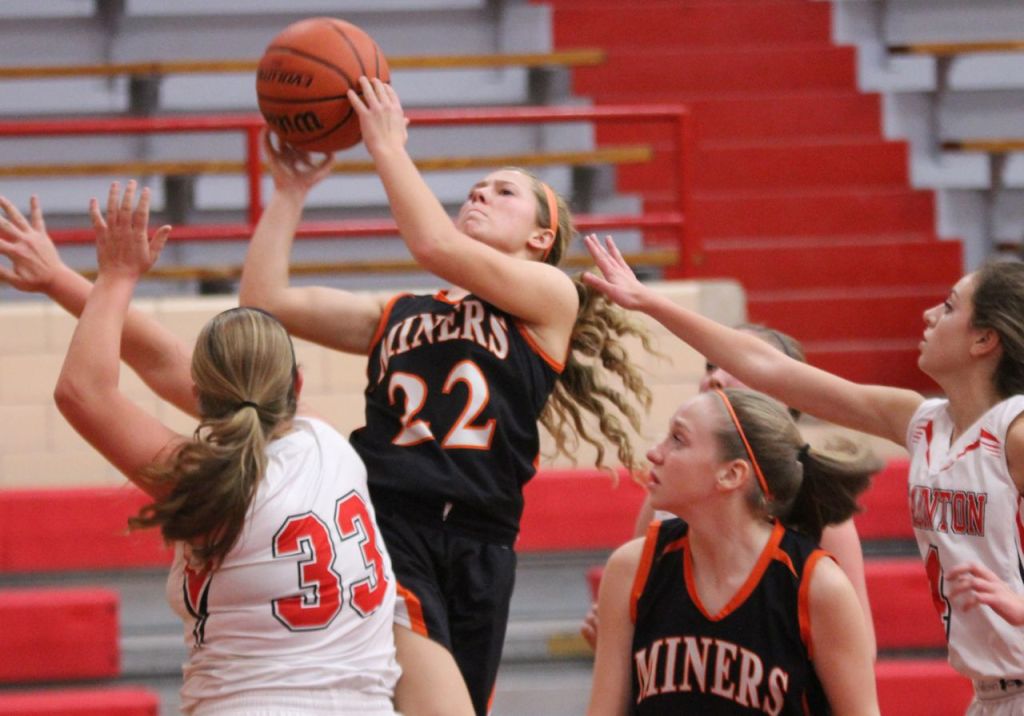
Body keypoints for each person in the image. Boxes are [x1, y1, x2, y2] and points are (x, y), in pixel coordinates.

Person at [238, 77, 654, 716]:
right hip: (388, 526)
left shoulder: (550, 301)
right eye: (477, 187)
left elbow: (436, 245)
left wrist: (387, 148)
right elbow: (264, 304)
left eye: (505, 190)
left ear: (540, 240)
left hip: (483, 545)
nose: (481, 192)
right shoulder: (396, 312)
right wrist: (290, 193)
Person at [584, 233, 1024, 715]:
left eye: (949, 306)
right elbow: (767, 367)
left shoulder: (1014, 434)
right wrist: (648, 302)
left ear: (984, 339)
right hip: (989, 694)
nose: (929, 315)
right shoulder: (920, 421)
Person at [50, 181, 400, 715]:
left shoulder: (211, 482)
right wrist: (58, 280)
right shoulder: (330, 443)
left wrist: (115, 277)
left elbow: (84, 391)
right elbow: (167, 363)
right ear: (299, 385)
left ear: (200, 397)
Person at [581, 324, 878, 660]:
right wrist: (616, 640)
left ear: (789, 393)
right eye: (710, 365)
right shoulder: (664, 498)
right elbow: (635, 628)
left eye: (736, 366)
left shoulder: (819, 513)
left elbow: (859, 651)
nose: (715, 377)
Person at [586, 386, 880, 715]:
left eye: (678, 439)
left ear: (731, 474)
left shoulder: (817, 585)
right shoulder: (632, 566)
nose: (655, 452)